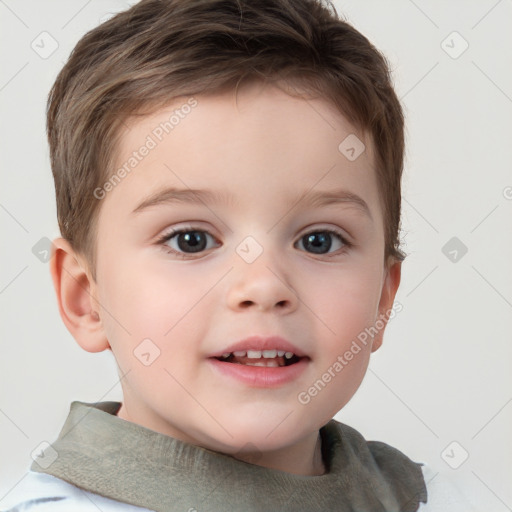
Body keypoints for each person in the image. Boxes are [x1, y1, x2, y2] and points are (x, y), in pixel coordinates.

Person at [0, 0, 475, 510]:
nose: (264, 285)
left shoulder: (434, 499)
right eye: (191, 240)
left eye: (319, 240)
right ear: (85, 298)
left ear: (383, 299)